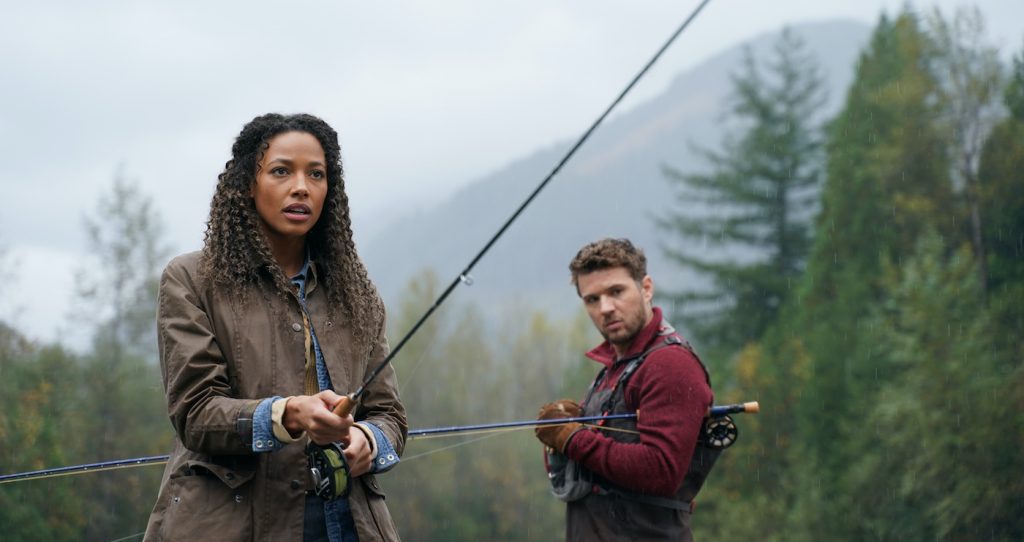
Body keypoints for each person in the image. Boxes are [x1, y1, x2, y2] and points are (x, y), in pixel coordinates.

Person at [144, 113, 407, 541]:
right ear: (249, 183)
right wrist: (286, 414)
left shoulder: (358, 293)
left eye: (316, 174)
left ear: (329, 190)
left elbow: (390, 415)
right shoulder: (191, 279)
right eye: (281, 171)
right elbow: (196, 414)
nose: (301, 186)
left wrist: (368, 441)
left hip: (348, 526)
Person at [535, 238, 714, 542]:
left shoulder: (670, 364)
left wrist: (573, 438)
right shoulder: (612, 369)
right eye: (592, 299)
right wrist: (560, 440)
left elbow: (661, 471)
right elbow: (579, 473)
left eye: (616, 292)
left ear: (646, 288)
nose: (605, 308)